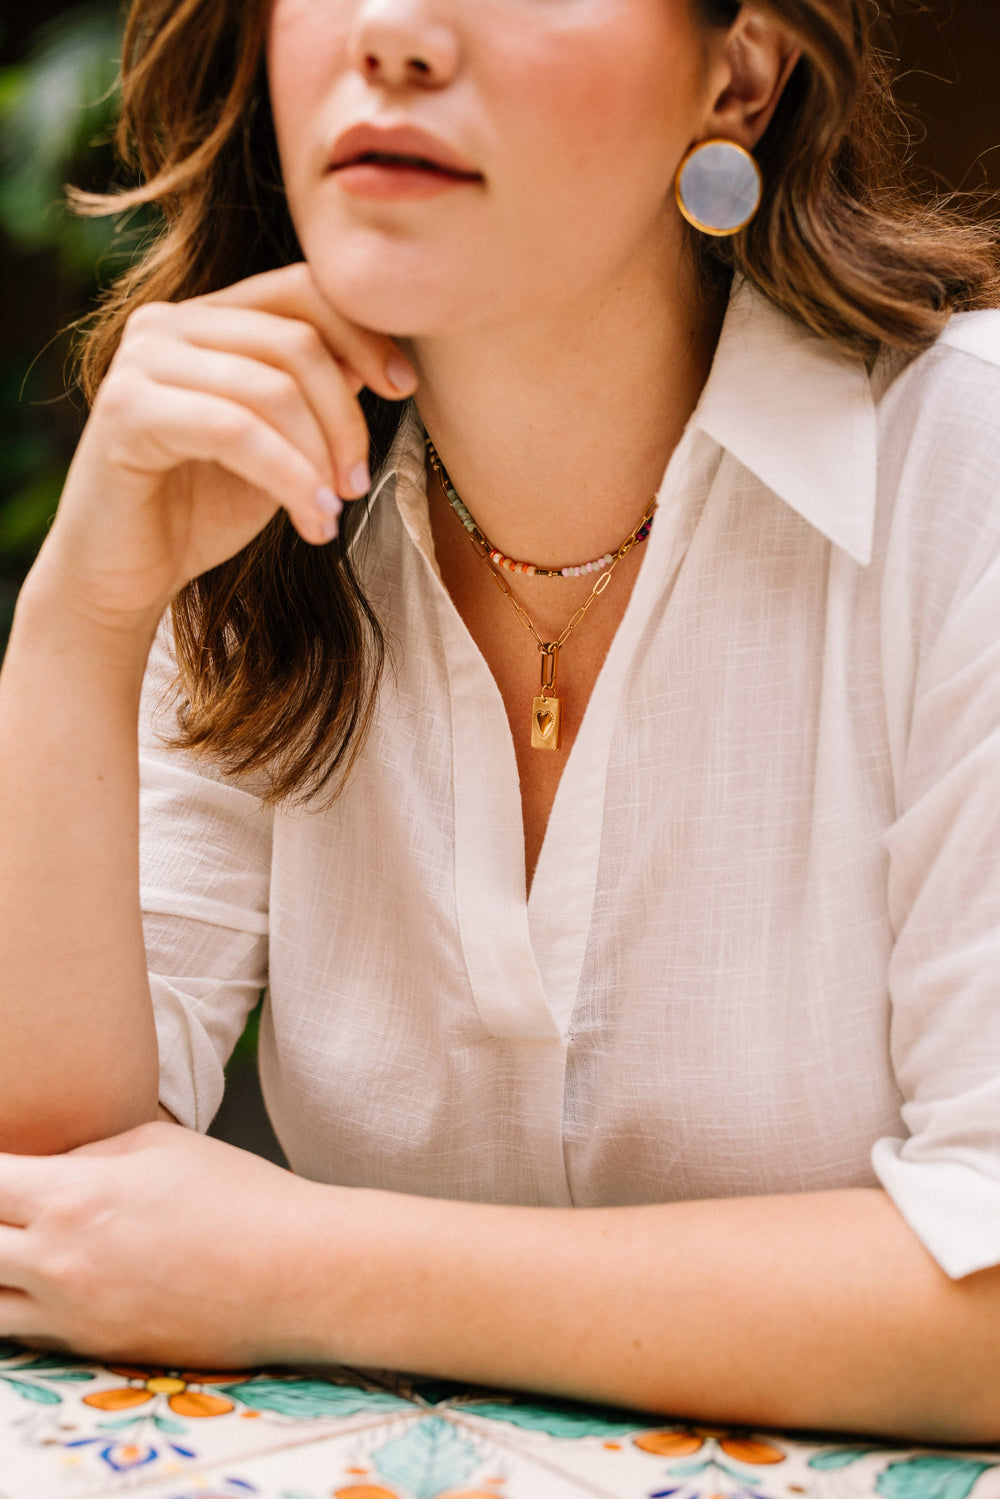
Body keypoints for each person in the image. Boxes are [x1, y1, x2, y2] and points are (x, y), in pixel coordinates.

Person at [1, 0, 999, 1444]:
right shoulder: (248, 493)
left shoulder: (961, 479)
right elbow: (54, 1204)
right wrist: (81, 621)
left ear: (737, 73)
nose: (394, 32)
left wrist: (301, 1267)